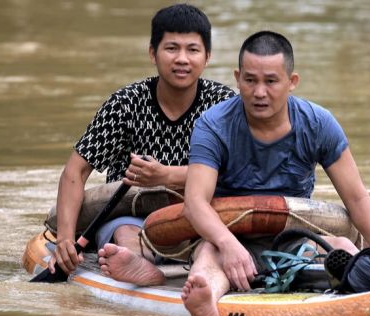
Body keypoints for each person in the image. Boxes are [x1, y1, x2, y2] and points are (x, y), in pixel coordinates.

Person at [179, 31, 370, 316]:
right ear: (237, 78)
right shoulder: (213, 125)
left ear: (291, 82)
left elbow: (356, 197)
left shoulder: (318, 123)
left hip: (293, 238)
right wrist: (229, 244)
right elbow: (195, 202)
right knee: (207, 256)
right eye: (250, 80)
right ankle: (206, 304)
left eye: (271, 81)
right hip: (229, 236)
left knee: (342, 248)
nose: (259, 92)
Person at [46, 4, 235, 286]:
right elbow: (75, 172)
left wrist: (166, 176)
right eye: (171, 48)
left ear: (207, 57)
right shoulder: (125, 104)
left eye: (192, 50)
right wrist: (64, 240)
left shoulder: (224, 104)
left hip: (200, 214)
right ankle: (137, 265)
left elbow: (239, 169)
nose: (182, 59)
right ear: (152, 53)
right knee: (125, 235)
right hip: (130, 215)